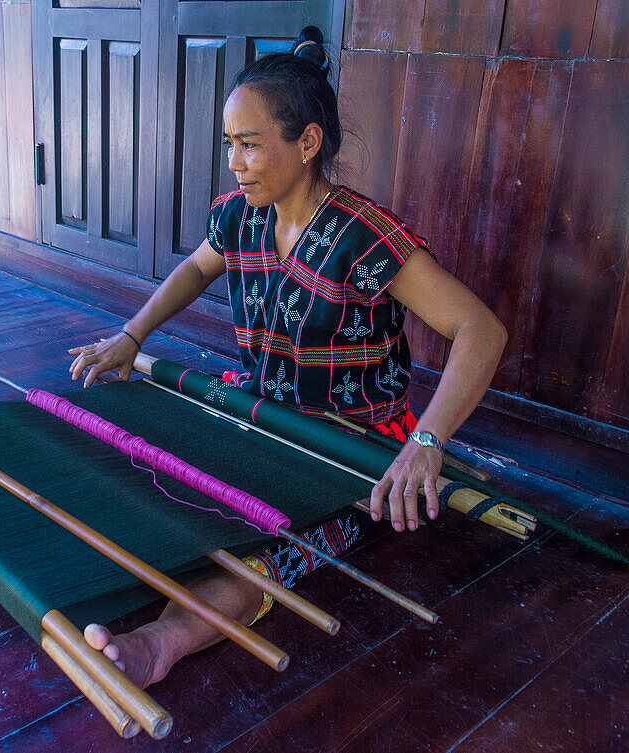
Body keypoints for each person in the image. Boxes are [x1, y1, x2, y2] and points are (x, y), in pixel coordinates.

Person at [67, 27, 507, 687]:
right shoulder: (241, 215)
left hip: (343, 444)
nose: (235, 163)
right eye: (230, 146)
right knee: (153, 468)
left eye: (249, 145)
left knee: (270, 545)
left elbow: (480, 329)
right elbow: (194, 267)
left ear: (307, 144)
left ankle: (157, 644)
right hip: (259, 411)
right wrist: (132, 335)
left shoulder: (361, 234)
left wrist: (427, 440)